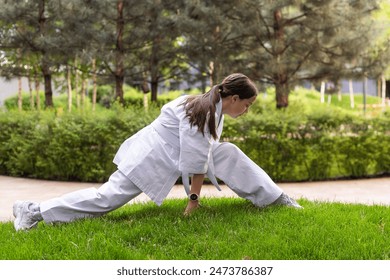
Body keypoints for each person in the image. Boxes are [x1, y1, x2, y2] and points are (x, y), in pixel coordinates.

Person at [13, 73, 302, 231]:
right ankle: (33, 211)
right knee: (106, 199)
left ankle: (275, 198)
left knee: (229, 153)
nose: (247, 111)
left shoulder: (212, 108)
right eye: (247, 106)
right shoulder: (200, 112)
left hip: (165, 156)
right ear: (234, 98)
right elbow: (197, 163)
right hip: (147, 160)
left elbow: (204, 155)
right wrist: (193, 202)